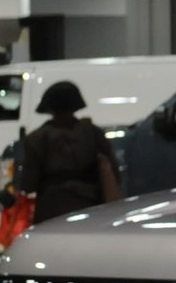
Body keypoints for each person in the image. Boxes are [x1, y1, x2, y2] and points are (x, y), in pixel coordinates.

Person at [14, 80, 121, 223]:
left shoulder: (37, 139)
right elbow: (114, 174)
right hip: (90, 208)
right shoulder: (94, 133)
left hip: (51, 211)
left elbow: (28, 185)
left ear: (50, 107)